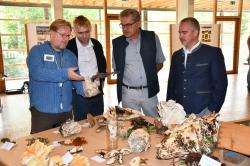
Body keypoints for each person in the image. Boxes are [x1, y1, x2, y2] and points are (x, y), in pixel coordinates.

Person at [27, 19, 84, 133]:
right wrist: (65, 73)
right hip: (43, 112)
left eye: (68, 36)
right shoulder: (37, 51)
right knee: (41, 145)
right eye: (62, 35)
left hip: (66, 112)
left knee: (67, 146)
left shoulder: (70, 56)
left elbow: (75, 78)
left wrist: (86, 88)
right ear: (51, 33)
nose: (66, 39)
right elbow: (38, 73)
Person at [166, 17, 228, 116]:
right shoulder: (176, 55)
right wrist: (169, 107)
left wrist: (211, 110)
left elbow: (221, 85)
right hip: (179, 112)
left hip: (203, 111)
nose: (180, 36)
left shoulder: (213, 53)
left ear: (195, 33)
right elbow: (171, 84)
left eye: (184, 32)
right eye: (179, 32)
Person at [112, 8, 165, 118]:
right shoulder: (117, 43)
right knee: (132, 125)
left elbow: (159, 62)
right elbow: (117, 68)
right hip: (128, 93)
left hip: (149, 92)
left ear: (138, 23)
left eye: (128, 25)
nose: (125, 29)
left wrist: (149, 75)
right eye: (122, 25)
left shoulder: (152, 38)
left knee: (154, 123)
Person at [67, 15, 107, 121]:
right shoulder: (69, 46)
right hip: (79, 94)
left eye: (87, 32)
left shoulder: (96, 44)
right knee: (81, 123)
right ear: (74, 31)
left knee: (99, 121)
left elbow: (103, 64)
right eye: (80, 33)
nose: (84, 36)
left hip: (97, 92)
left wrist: (101, 82)